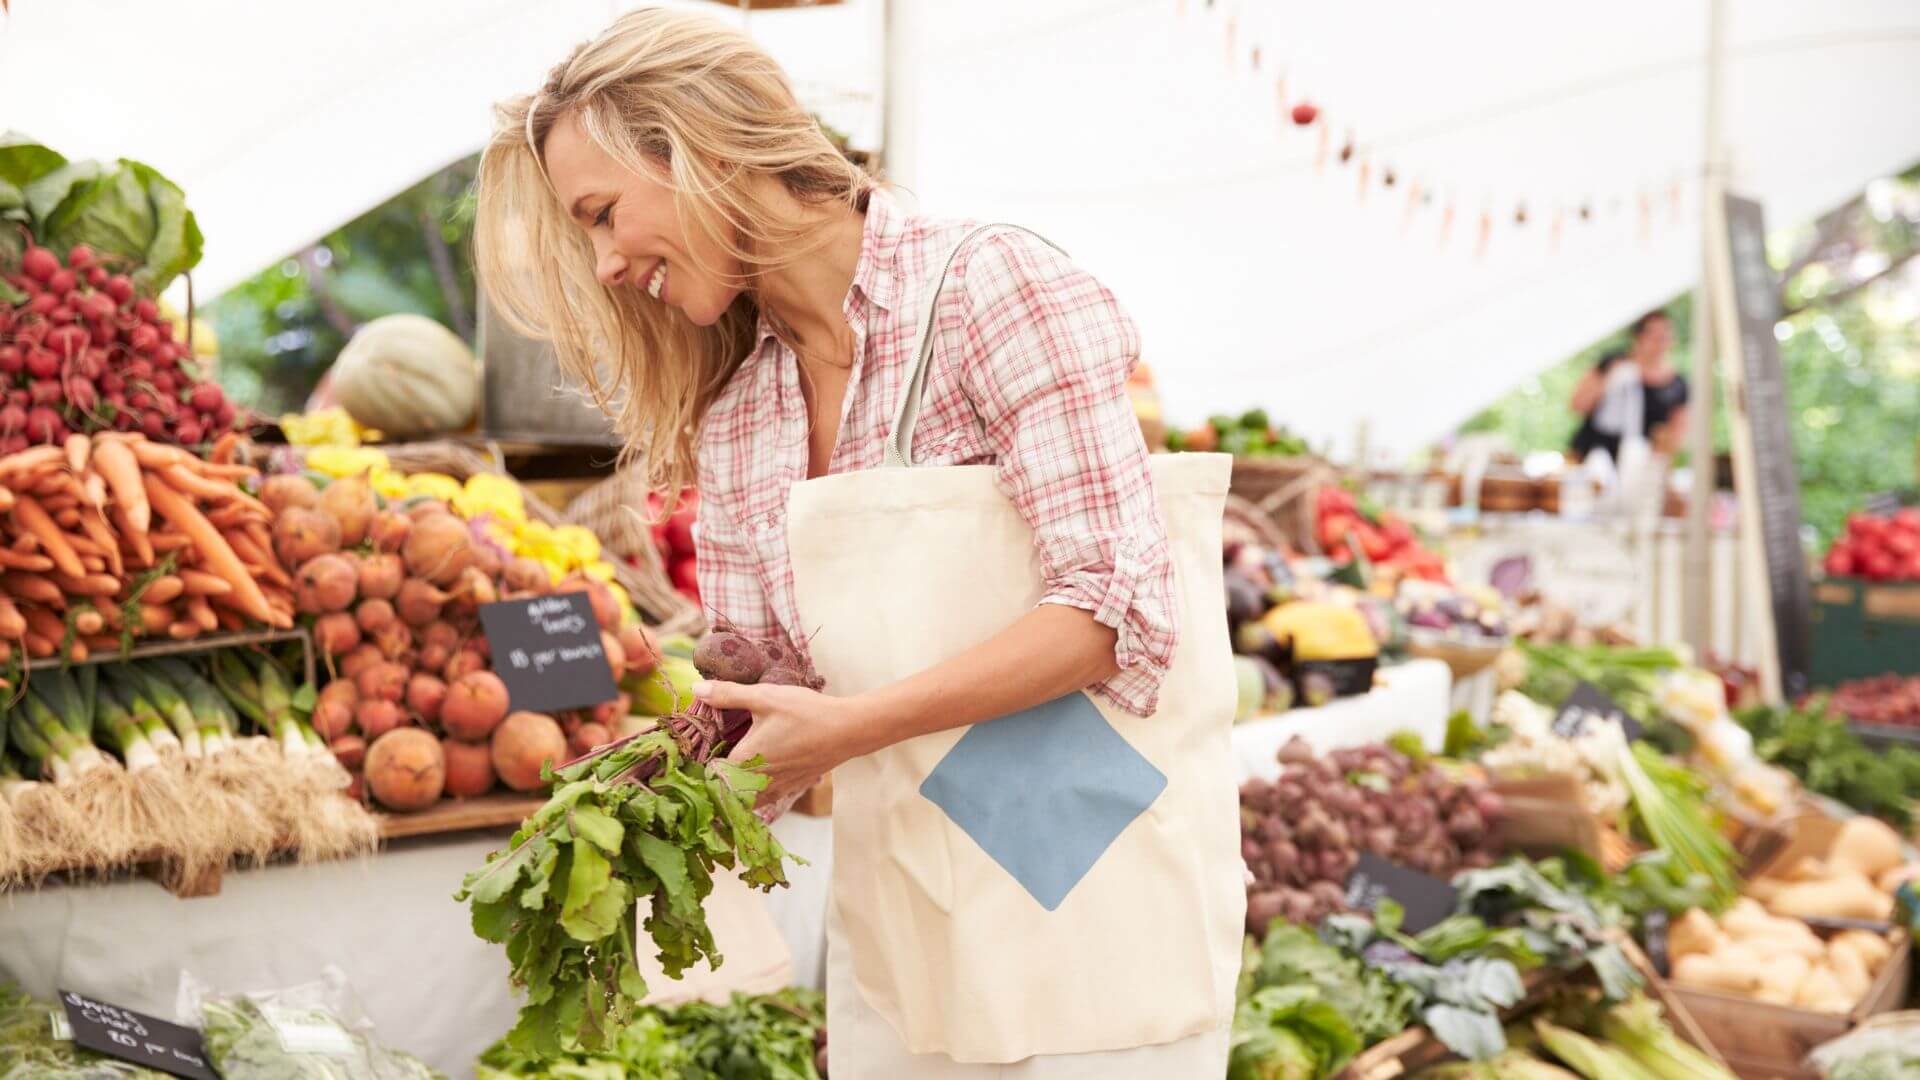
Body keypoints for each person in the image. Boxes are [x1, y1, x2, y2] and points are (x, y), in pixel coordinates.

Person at [472, 9, 1240, 1078]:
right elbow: (779, 691)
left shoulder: (990, 290)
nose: (602, 263)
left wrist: (847, 728)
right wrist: (656, 777)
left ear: (703, 147)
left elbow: (1113, 612)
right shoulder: (743, 409)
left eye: (603, 214)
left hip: (1091, 884)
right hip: (911, 912)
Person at [1568, 310, 1689, 462]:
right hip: (1593, 452)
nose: (1659, 342)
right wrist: (1610, 380)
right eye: (1653, 336)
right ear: (1638, 337)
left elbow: (1677, 432)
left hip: (1638, 462)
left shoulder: (1676, 384)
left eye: (1665, 336)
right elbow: (1577, 405)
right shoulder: (1612, 364)